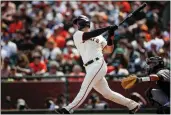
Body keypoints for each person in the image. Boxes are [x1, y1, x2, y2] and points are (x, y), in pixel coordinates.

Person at [55, 15, 141, 114]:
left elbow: (109, 49)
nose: (77, 24)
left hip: (98, 63)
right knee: (107, 93)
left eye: (78, 22)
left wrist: (111, 35)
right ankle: (132, 104)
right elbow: (89, 35)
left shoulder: (99, 36)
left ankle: (68, 109)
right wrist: (107, 28)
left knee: (85, 87)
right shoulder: (78, 34)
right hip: (89, 67)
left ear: (83, 22)